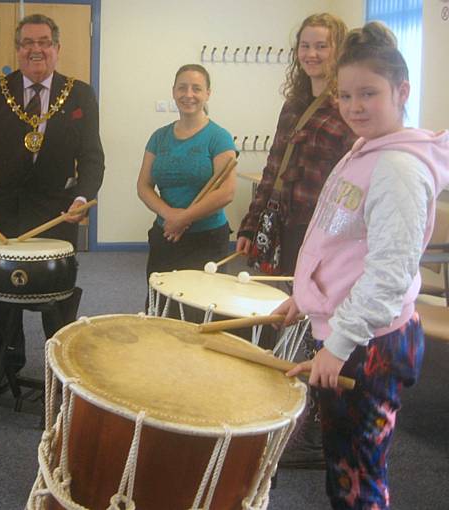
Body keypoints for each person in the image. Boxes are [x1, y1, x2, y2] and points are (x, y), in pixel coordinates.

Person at [278, 22, 449, 509]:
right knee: (343, 463)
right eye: (346, 94)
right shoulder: (367, 149)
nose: (354, 106)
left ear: (402, 91)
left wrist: (338, 344)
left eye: (368, 93)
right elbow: (338, 239)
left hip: (368, 342)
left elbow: (390, 275)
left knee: (359, 476)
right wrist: (307, 298)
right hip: (351, 332)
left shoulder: (399, 168)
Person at [236, 13, 356, 469]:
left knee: (319, 326)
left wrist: (336, 245)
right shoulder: (293, 103)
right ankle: (285, 412)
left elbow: (351, 183)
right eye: (305, 45)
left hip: (324, 234)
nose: (311, 54)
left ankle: (316, 435)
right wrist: (250, 225)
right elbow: (273, 169)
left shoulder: (344, 103)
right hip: (284, 226)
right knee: (285, 318)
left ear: (337, 50)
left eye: (321, 46)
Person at [0, 14, 104, 375]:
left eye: (44, 42)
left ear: (56, 48)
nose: (36, 50)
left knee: (57, 299)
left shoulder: (79, 93)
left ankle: (60, 368)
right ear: (18, 50)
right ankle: (6, 361)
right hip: (3, 211)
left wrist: (82, 199)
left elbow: (92, 158)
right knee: (2, 294)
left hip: (56, 213)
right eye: (27, 43)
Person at [137, 64, 237, 315]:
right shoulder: (159, 137)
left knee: (198, 311)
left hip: (207, 239)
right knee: (160, 307)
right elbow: (144, 186)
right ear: (173, 91)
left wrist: (184, 218)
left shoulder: (219, 137)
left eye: (196, 88)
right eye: (182, 87)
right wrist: (171, 216)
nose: (188, 94)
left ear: (208, 94)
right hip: (166, 235)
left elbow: (226, 192)